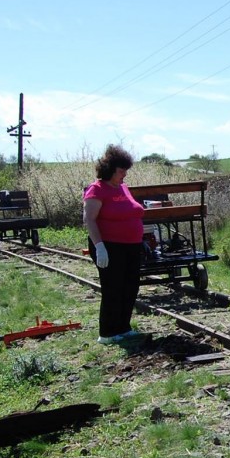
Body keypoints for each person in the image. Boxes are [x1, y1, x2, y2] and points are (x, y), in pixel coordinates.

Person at [83, 145, 146, 345]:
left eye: (126, 171)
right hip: (109, 246)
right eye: (121, 171)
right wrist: (99, 246)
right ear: (110, 169)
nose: (124, 175)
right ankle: (108, 332)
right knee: (113, 287)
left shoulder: (123, 188)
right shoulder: (97, 189)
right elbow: (90, 219)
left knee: (130, 287)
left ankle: (123, 328)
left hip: (131, 245)